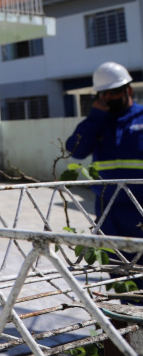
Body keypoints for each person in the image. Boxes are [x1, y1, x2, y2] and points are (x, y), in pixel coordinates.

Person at [66, 61, 143, 239]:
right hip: (109, 210)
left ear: (128, 90)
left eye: (115, 92)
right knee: (112, 263)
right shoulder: (97, 122)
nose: (108, 97)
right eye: (103, 93)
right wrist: (95, 117)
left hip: (140, 207)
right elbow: (75, 151)